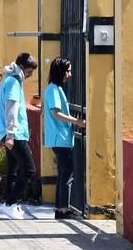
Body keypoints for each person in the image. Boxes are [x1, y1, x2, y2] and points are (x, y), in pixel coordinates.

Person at [0, 52, 38, 220]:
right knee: (29, 169)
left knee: (13, 170)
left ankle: (9, 204)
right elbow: (11, 108)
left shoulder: (8, 79)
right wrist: (11, 135)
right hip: (15, 133)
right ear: (21, 68)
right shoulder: (13, 82)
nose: (30, 76)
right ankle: (10, 203)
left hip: (8, 132)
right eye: (29, 72)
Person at [43, 57, 86, 219]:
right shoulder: (53, 90)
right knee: (67, 173)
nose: (70, 74)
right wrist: (77, 121)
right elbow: (56, 112)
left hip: (61, 138)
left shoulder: (55, 89)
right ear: (60, 71)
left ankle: (60, 207)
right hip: (59, 138)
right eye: (68, 70)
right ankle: (63, 209)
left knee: (64, 173)